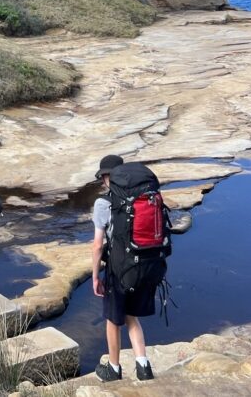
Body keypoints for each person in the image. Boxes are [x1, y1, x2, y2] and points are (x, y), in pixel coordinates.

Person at [92, 154, 155, 382]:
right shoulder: (142, 197)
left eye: (103, 177)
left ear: (107, 177)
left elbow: (97, 245)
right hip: (143, 264)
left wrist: (95, 277)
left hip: (117, 269)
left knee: (113, 320)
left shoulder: (103, 203)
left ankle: (113, 368)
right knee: (131, 316)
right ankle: (143, 366)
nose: (103, 182)